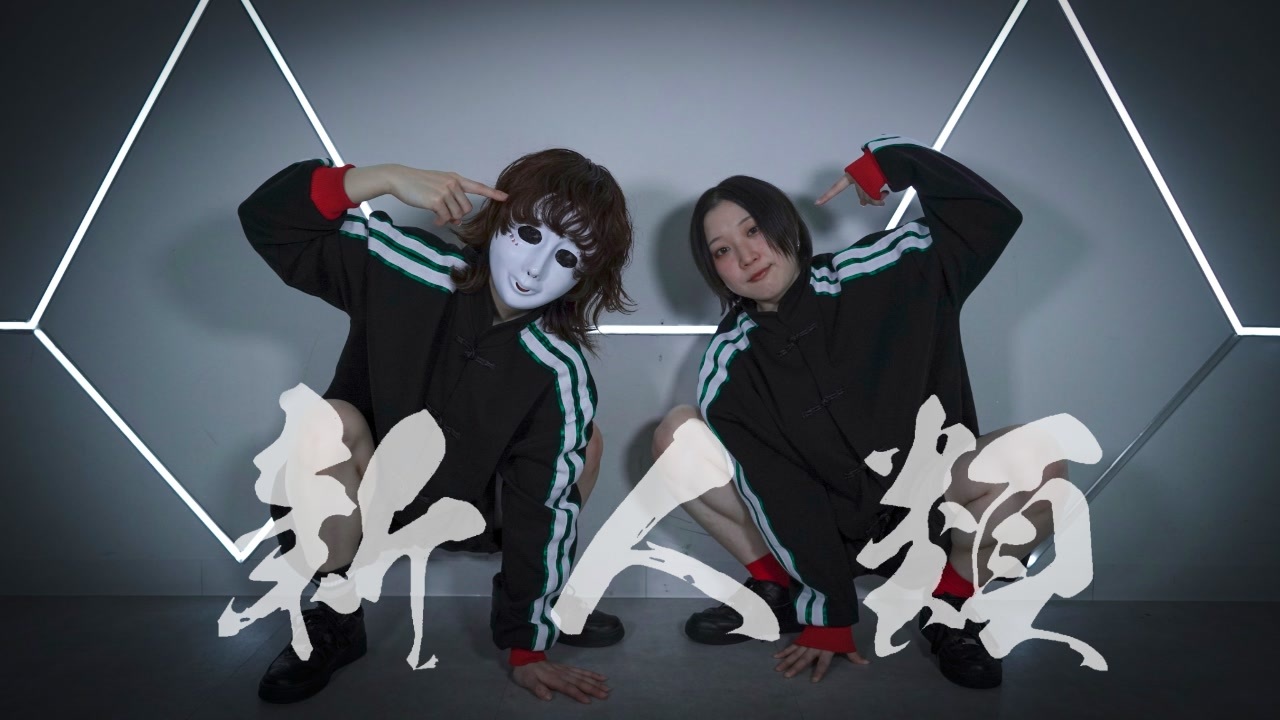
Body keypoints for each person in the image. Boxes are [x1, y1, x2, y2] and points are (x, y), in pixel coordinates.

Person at [651, 135, 1066, 689]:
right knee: (677, 433)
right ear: (714, 270)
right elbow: (783, 493)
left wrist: (893, 163)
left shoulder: (886, 269)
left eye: (753, 230)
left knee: (1040, 459)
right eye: (722, 250)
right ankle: (779, 590)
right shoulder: (729, 366)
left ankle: (950, 607)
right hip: (830, 532)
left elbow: (990, 218)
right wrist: (828, 615)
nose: (746, 256)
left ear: (786, 226)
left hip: (933, 511)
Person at [238, 148, 633, 704]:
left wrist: (527, 646)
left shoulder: (558, 370)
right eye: (529, 234)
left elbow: (543, 510)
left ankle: (536, 606)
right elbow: (268, 221)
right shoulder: (408, 265)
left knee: (582, 445)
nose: (536, 269)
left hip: (476, 513)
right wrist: (381, 178)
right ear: (499, 218)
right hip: (367, 492)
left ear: (585, 277)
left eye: (567, 257)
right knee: (324, 423)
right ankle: (336, 615)